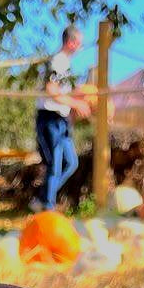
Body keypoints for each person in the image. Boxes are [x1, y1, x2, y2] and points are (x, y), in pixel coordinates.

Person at [33, 25, 90, 212]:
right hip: (50, 119)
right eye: (79, 43)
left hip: (62, 120)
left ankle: (42, 199)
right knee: (54, 166)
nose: (80, 48)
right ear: (71, 42)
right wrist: (76, 104)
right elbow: (52, 91)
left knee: (70, 162)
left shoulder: (65, 64)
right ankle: (47, 207)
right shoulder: (56, 61)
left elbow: (63, 95)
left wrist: (77, 101)